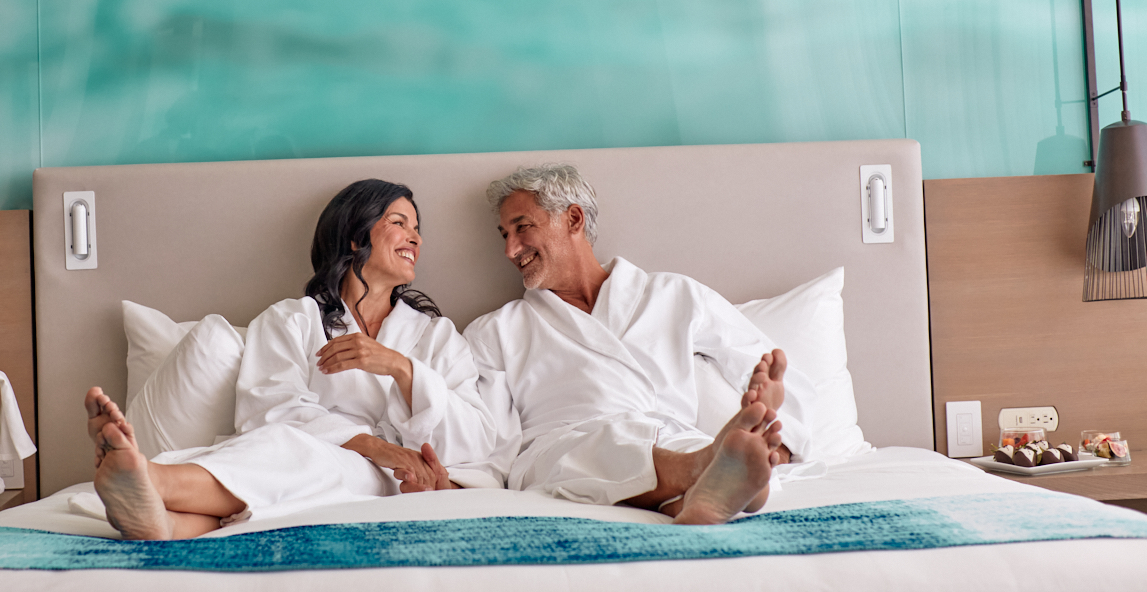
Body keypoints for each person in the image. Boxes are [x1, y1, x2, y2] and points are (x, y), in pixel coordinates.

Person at [86, 179, 496, 540]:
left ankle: (150, 479)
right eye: (399, 222)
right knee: (292, 449)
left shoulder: (438, 336)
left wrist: (401, 369)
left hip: (396, 481)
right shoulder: (292, 319)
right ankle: (167, 523)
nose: (416, 238)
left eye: (418, 229)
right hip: (325, 460)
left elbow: (476, 437)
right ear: (355, 238)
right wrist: (374, 448)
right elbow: (270, 409)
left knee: (304, 455)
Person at [464, 163, 817, 525]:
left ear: (573, 219)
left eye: (522, 227)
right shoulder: (494, 331)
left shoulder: (674, 295)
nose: (510, 250)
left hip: (670, 438)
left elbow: (776, 371)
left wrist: (781, 442)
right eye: (504, 235)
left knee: (679, 446)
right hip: (561, 450)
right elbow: (488, 441)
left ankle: (703, 492)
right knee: (597, 449)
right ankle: (710, 468)